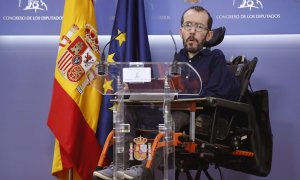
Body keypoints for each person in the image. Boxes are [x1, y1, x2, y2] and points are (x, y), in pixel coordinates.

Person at [93, 5, 240, 180]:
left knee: (173, 118)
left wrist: (181, 95)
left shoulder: (215, 57)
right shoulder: (179, 59)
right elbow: (166, 86)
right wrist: (133, 88)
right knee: (127, 111)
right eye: (188, 25)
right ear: (181, 31)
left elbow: (216, 92)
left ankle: (144, 169)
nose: (192, 31)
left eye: (199, 27)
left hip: (197, 117)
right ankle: (120, 165)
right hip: (171, 110)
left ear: (208, 35)